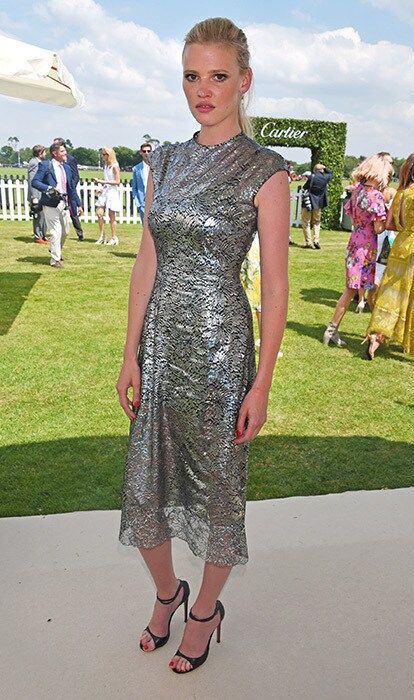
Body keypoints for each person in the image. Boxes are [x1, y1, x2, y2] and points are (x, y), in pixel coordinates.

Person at [116, 17, 289, 675]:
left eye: (218, 76)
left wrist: (262, 382)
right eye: (192, 75)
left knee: (219, 495)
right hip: (159, 350)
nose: (203, 90)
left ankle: (206, 612)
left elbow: (276, 288)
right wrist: (130, 353)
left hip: (222, 356)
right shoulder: (165, 160)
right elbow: (146, 263)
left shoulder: (266, 171)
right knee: (144, 494)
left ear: (243, 82)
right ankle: (169, 593)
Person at [323, 154, 392, 347]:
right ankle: (333, 330)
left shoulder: (357, 191)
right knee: (353, 290)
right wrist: (389, 220)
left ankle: (376, 332)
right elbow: (378, 228)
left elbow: (353, 219)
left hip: (355, 242)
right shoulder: (376, 196)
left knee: (360, 290)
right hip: (366, 246)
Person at [364, 152, 414, 359]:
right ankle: (411, 340)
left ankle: (377, 336)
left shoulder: (400, 192)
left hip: (399, 244)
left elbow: (389, 224)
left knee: (393, 291)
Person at [32, 143, 82, 268]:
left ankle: (55, 249)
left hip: (63, 202)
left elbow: (71, 188)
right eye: (63, 151)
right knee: (55, 231)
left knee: (65, 232)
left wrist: (78, 204)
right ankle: (55, 259)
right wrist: (49, 188)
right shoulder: (45, 165)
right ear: (55, 153)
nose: (65, 153)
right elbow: (35, 182)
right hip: (50, 203)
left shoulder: (67, 168)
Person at [53, 137, 84, 241]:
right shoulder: (52, 161)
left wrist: (70, 188)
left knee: (73, 213)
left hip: (69, 191)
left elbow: (76, 176)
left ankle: (79, 233)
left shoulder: (71, 159)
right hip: (58, 193)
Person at [301, 163, 333, 249]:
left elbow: (305, 187)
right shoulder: (325, 178)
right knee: (317, 222)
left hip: (308, 203)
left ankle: (308, 242)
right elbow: (330, 173)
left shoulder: (312, 177)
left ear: (314, 170)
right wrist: (325, 167)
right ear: (322, 170)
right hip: (318, 204)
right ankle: (316, 240)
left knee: (306, 222)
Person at [94, 147, 121, 245]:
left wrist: (103, 181)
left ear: (110, 155)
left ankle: (114, 237)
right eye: (102, 154)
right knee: (99, 213)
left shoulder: (115, 166)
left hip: (112, 192)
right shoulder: (105, 166)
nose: (103, 156)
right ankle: (102, 235)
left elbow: (117, 181)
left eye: (105, 154)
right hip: (105, 191)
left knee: (111, 216)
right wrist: (101, 188)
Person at [27, 144, 47, 244]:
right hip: (36, 195)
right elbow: (32, 181)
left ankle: (43, 235)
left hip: (42, 194)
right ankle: (38, 236)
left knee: (43, 216)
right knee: (38, 216)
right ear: (40, 153)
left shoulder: (40, 162)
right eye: (44, 152)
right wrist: (34, 197)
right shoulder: (34, 163)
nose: (46, 154)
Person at [132, 143, 152, 224]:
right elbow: (134, 187)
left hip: (155, 200)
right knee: (145, 226)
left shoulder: (157, 166)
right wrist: (138, 202)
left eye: (148, 151)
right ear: (141, 152)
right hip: (142, 201)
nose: (146, 153)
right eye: (144, 151)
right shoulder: (136, 168)